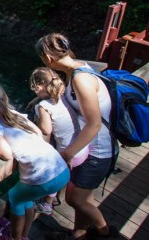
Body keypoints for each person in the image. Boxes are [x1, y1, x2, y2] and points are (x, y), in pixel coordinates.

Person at [35, 33, 114, 239]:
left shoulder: (81, 79)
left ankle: (105, 233)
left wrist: (67, 154)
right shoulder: (77, 69)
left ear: (48, 58)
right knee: (84, 197)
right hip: (89, 147)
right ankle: (79, 233)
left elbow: (94, 124)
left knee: (74, 199)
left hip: (97, 150)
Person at [0, 80, 70, 240]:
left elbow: (4, 153)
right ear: (5, 97)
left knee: (15, 197)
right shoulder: (17, 115)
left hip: (44, 180)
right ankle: (24, 235)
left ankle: (15, 237)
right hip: (62, 171)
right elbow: (38, 132)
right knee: (28, 200)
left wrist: (5, 144)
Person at [29, 67, 89, 215]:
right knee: (62, 174)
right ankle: (56, 192)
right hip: (83, 149)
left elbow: (46, 130)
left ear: (40, 86)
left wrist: (32, 123)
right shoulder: (62, 96)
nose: (34, 91)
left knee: (52, 174)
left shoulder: (43, 106)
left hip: (69, 154)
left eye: (35, 89)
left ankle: (47, 204)